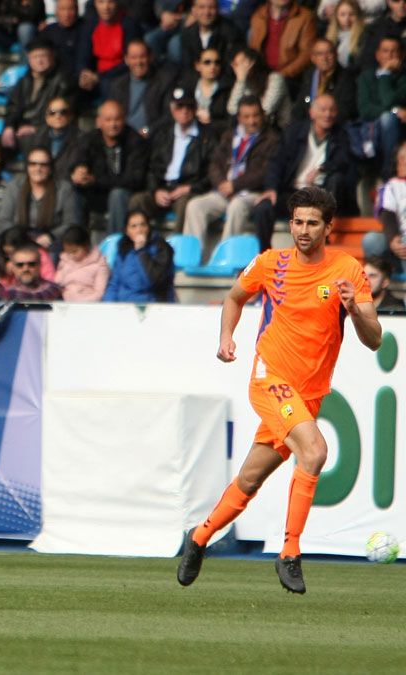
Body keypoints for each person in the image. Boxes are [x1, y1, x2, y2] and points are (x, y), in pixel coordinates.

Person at [178, 186, 381, 594]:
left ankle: (198, 537)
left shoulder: (347, 269)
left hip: (308, 394)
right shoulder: (271, 263)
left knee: (250, 479)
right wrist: (226, 337)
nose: (303, 230)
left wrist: (355, 309)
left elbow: (373, 338)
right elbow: (235, 297)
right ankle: (289, 552)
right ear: (290, 224)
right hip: (269, 379)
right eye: (298, 222)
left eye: (312, 223)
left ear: (328, 228)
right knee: (316, 451)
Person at [252, 93, 354, 251]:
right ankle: (265, 254)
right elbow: (276, 162)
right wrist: (271, 188)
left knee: (337, 180)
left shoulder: (341, 135)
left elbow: (343, 163)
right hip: (293, 193)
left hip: (321, 195)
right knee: (263, 208)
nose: (328, 114)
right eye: (323, 109)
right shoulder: (294, 132)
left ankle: (321, 242)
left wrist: (322, 168)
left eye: (332, 110)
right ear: (312, 112)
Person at [183, 97, 280, 261]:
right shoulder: (230, 135)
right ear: (239, 118)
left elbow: (264, 172)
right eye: (247, 116)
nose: (252, 121)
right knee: (195, 205)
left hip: (252, 193)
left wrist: (235, 185)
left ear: (262, 115)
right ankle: (190, 258)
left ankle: (225, 258)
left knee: (237, 205)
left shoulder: (272, 139)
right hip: (224, 190)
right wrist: (222, 184)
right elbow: (214, 164)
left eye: (255, 115)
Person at [130, 90, 214, 230]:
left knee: (185, 204)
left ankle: (177, 247)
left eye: (189, 107)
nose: (184, 111)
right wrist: (155, 190)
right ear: (172, 109)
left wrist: (190, 188)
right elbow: (151, 167)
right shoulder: (162, 133)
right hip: (163, 187)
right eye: (180, 107)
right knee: (137, 201)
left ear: (195, 109)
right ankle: (137, 244)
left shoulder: (207, 136)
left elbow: (211, 172)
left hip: (187, 189)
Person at [70, 99, 149, 233]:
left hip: (126, 194)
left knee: (117, 194)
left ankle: (115, 243)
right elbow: (77, 161)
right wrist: (78, 171)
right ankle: (76, 242)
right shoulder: (89, 139)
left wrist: (95, 180)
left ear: (124, 119)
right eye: (108, 120)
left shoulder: (135, 142)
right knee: (71, 190)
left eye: (117, 120)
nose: (113, 124)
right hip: (97, 193)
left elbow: (133, 179)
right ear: (99, 121)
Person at [1, 39, 71, 151]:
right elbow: (13, 107)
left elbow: (61, 113)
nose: (39, 61)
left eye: (43, 56)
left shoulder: (63, 81)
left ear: (52, 56)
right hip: (23, 128)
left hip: (47, 130)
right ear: (29, 59)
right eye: (35, 57)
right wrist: (9, 127)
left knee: (30, 139)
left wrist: (36, 128)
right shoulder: (24, 81)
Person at [357, 37, 406, 179]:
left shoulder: (403, 78)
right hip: (370, 129)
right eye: (385, 51)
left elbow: (388, 99)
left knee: (388, 119)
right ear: (377, 55)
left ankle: (388, 172)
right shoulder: (366, 77)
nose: (390, 56)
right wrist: (395, 111)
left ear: (402, 55)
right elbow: (365, 110)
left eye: (394, 51)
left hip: (398, 129)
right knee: (387, 117)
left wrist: (385, 75)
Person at [103, 210, 176, 302]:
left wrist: (141, 251)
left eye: (143, 225)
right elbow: (114, 283)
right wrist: (109, 306)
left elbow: (151, 282)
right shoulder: (123, 249)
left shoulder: (162, 248)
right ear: (127, 231)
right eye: (133, 226)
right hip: (123, 307)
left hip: (153, 306)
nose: (139, 230)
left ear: (148, 227)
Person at [107, 39, 173, 138]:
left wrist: (148, 130)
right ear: (126, 60)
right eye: (134, 58)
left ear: (150, 57)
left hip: (152, 137)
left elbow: (169, 115)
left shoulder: (164, 81)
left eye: (142, 57)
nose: (138, 62)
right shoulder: (118, 85)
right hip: (124, 137)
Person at [289, 39, 356, 126]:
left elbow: (344, 111)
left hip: (332, 126)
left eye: (329, 53)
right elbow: (304, 100)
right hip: (308, 125)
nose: (325, 58)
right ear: (313, 58)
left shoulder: (346, 78)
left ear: (336, 55)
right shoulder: (310, 75)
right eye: (320, 54)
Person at [249, 0, 315, 80]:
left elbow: (306, 54)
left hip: (290, 77)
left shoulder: (304, 17)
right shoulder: (258, 16)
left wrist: (282, 74)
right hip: (262, 75)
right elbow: (253, 48)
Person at [367, 142, 406, 276]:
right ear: (401, 159)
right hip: (399, 241)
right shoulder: (391, 186)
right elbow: (387, 213)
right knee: (371, 240)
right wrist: (393, 238)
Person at [54, 226, 108, 301]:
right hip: (65, 305)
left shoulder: (99, 264)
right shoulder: (64, 261)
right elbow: (57, 283)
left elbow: (100, 293)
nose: (71, 255)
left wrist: (81, 304)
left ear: (86, 245)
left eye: (75, 251)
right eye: (68, 252)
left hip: (87, 306)